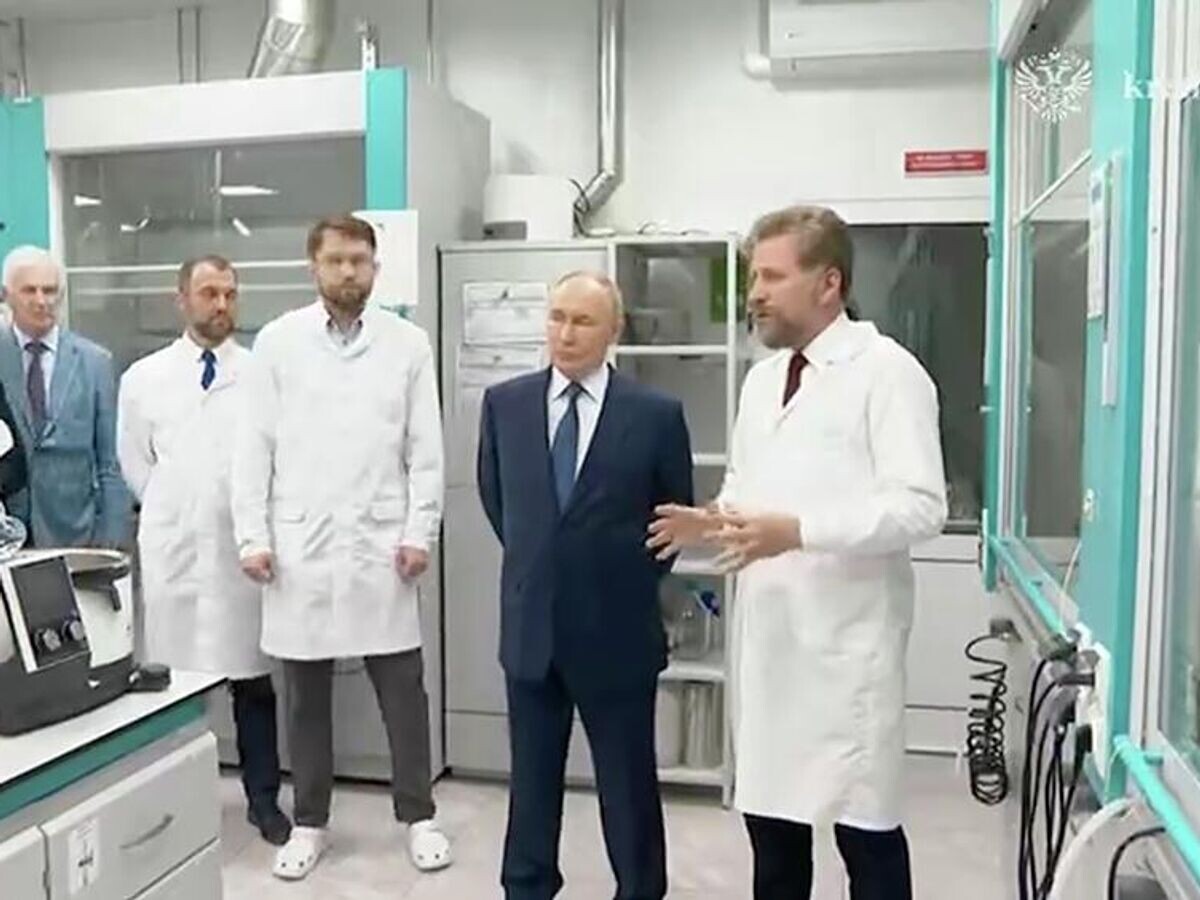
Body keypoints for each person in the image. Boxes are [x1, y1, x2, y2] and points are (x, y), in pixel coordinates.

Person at [648, 206, 947, 900]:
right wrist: (711, 520)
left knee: (865, 836)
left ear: (828, 283)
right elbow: (747, 489)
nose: (755, 293)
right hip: (772, 649)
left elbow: (920, 506)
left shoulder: (886, 373)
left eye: (772, 277)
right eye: (753, 277)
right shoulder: (761, 381)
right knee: (773, 837)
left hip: (846, 653)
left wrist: (799, 531)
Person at [232, 214, 450, 880]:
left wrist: (419, 531)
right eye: (336, 260)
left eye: (359, 259)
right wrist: (253, 536)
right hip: (299, 544)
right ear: (314, 267)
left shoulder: (408, 344)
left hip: (383, 542)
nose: (348, 271)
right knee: (305, 697)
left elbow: (426, 450)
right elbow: (253, 447)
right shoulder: (277, 342)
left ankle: (418, 816)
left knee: (402, 690)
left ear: (376, 267)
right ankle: (310, 822)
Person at [477, 270, 694, 900]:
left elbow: (670, 523)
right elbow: (501, 505)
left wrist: (610, 579)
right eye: (557, 318)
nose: (565, 334)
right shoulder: (505, 405)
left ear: (613, 330)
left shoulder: (655, 415)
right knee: (531, 785)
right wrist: (547, 566)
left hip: (617, 633)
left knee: (628, 788)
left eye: (583, 321)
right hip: (532, 631)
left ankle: (640, 889)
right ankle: (527, 888)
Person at [117, 255, 290, 847]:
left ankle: (263, 801)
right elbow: (134, 460)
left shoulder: (260, 372)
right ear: (182, 299)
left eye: (230, 294)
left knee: (252, 682)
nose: (221, 305)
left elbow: (275, 455)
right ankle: (172, 801)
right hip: (176, 547)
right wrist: (174, 504)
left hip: (241, 549)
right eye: (209, 293)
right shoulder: (144, 377)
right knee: (173, 683)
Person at [0, 245, 129, 548]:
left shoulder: (95, 362)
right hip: (8, 536)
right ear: (6, 296)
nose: (41, 301)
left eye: (50, 291)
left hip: (76, 535)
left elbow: (110, 463)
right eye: (29, 291)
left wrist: (111, 542)